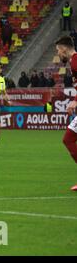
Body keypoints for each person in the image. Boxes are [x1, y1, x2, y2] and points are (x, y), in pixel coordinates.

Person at [55, 36, 77, 191]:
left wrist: (75, 100)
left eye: (58, 50)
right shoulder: (72, 62)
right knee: (68, 139)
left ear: (63, 48)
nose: (58, 54)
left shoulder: (76, 60)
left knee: (68, 139)